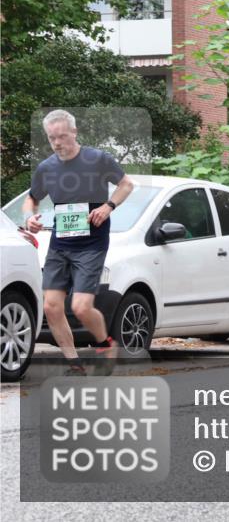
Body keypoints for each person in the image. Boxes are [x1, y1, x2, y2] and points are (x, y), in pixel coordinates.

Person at [23, 109, 134, 376]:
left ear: (74, 132)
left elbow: (126, 184)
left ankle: (105, 343)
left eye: (62, 136)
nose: (58, 143)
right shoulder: (46, 167)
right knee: (51, 306)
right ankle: (74, 363)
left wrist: (108, 206)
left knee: (81, 307)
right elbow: (31, 199)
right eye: (52, 138)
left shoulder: (98, 159)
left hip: (92, 244)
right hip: (61, 244)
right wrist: (30, 218)